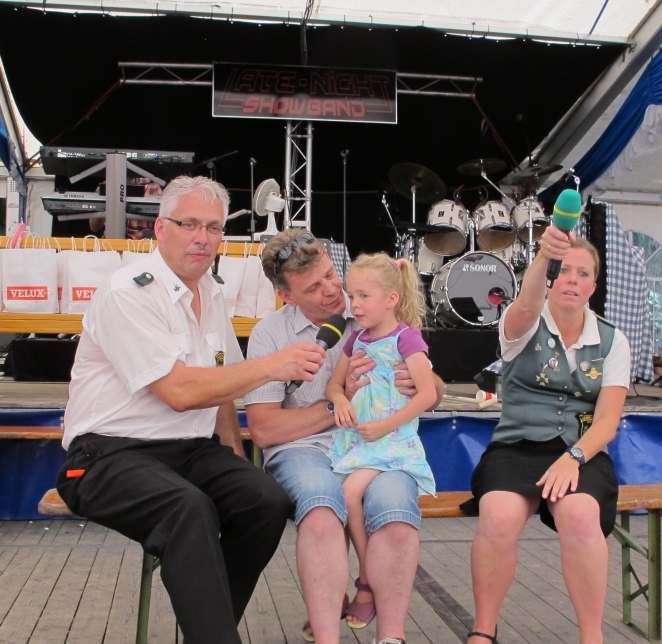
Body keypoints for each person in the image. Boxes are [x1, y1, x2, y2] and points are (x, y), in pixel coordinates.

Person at [57, 176, 327, 644]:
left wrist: (234, 461)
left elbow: (222, 387)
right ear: (160, 228)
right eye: (190, 225)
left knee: (264, 501)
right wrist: (273, 365)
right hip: (106, 455)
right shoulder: (129, 291)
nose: (203, 238)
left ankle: (211, 632)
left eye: (214, 227)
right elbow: (179, 391)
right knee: (189, 509)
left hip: (190, 451)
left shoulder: (212, 291)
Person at [245, 230, 445, 644]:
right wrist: (337, 403)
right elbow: (263, 430)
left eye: (330, 275)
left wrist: (428, 386)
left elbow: (429, 385)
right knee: (322, 507)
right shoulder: (270, 335)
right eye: (313, 288)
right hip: (305, 447)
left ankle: (391, 635)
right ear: (287, 296)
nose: (333, 291)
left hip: (376, 443)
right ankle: (326, 633)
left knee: (395, 508)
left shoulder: (372, 306)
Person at [466, 230, 631, 644]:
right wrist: (544, 256)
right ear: (551, 279)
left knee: (580, 516)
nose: (573, 279)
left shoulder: (613, 340)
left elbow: (607, 422)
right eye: (565, 271)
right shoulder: (522, 323)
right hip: (517, 446)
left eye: (583, 273)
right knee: (498, 517)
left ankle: (592, 636)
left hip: (580, 451)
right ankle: (484, 630)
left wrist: (574, 456)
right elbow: (527, 303)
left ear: (594, 285)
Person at [326, 253, 438, 625]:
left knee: (348, 494)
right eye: (351, 296)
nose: (355, 305)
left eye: (363, 296)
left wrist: (386, 426)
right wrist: (342, 399)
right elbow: (333, 385)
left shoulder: (406, 339)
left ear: (391, 299)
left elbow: (426, 394)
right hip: (361, 439)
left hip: (390, 441)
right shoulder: (355, 338)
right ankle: (363, 576)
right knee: (342, 499)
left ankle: (366, 579)